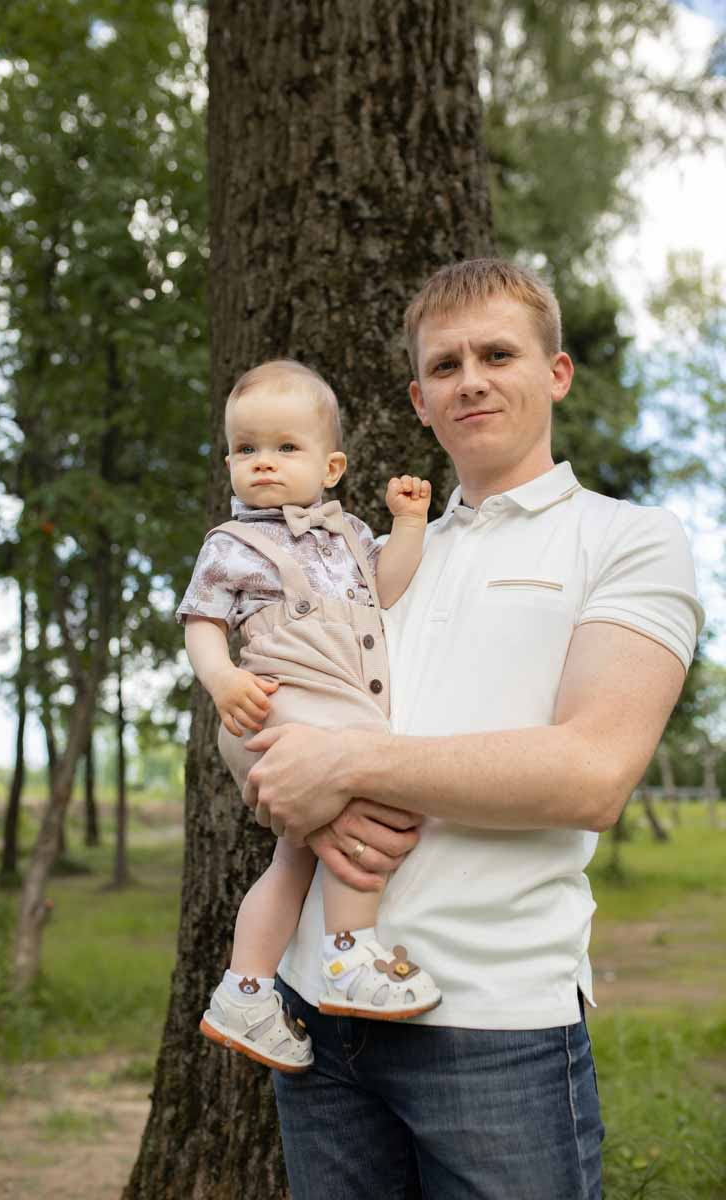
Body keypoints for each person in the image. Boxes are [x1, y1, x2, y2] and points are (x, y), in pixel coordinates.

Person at [241, 259, 705, 1200]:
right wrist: (305, 797)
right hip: (318, 1014)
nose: (472, 379)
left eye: (498, 354)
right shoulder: (361, 558)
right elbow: (254, 711)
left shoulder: (628, 540)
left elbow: (591, 772)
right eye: (445, 366)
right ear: (419, 399)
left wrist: (348, 761)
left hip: (495, 1023)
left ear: (557, 373)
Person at [176, 358, 442, 1075]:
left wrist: (408, 524)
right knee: (379, 786)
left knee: (295, 855)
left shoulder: (352, 534)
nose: (263, 462)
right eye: (246, 448)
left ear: (330, 466)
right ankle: (349, 954)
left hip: (335, 691)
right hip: (281, 693)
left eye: (285, 447)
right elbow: (201, 620)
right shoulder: (233, 544)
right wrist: (222, 676)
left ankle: (247, 990)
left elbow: (387, 589)